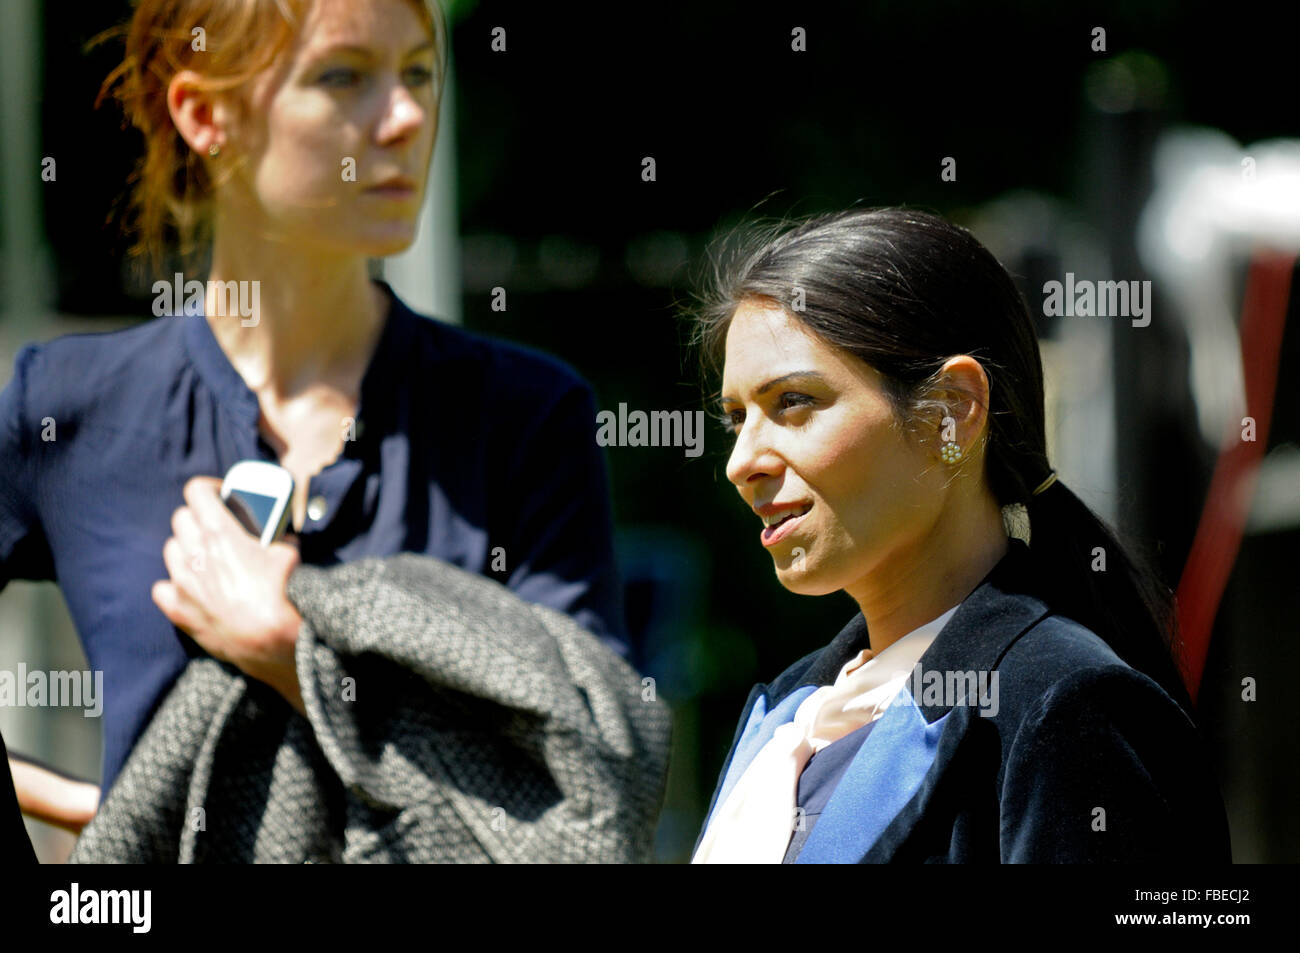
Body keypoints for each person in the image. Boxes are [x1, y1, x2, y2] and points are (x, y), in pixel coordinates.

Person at [0, 0, 627, 837]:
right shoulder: (67, 404)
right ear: (203, 113)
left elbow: (597, 781)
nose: (405, 117)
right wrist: (110, 815)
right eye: (343, 76)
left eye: (416, 73)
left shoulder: (526, 415)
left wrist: (292, 647)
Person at [688, 207, 1232, 863]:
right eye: (737, 418)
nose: (741, 462)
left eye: (793, 402)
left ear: (952, 412)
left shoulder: (1062, 708)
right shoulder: (785, 712)